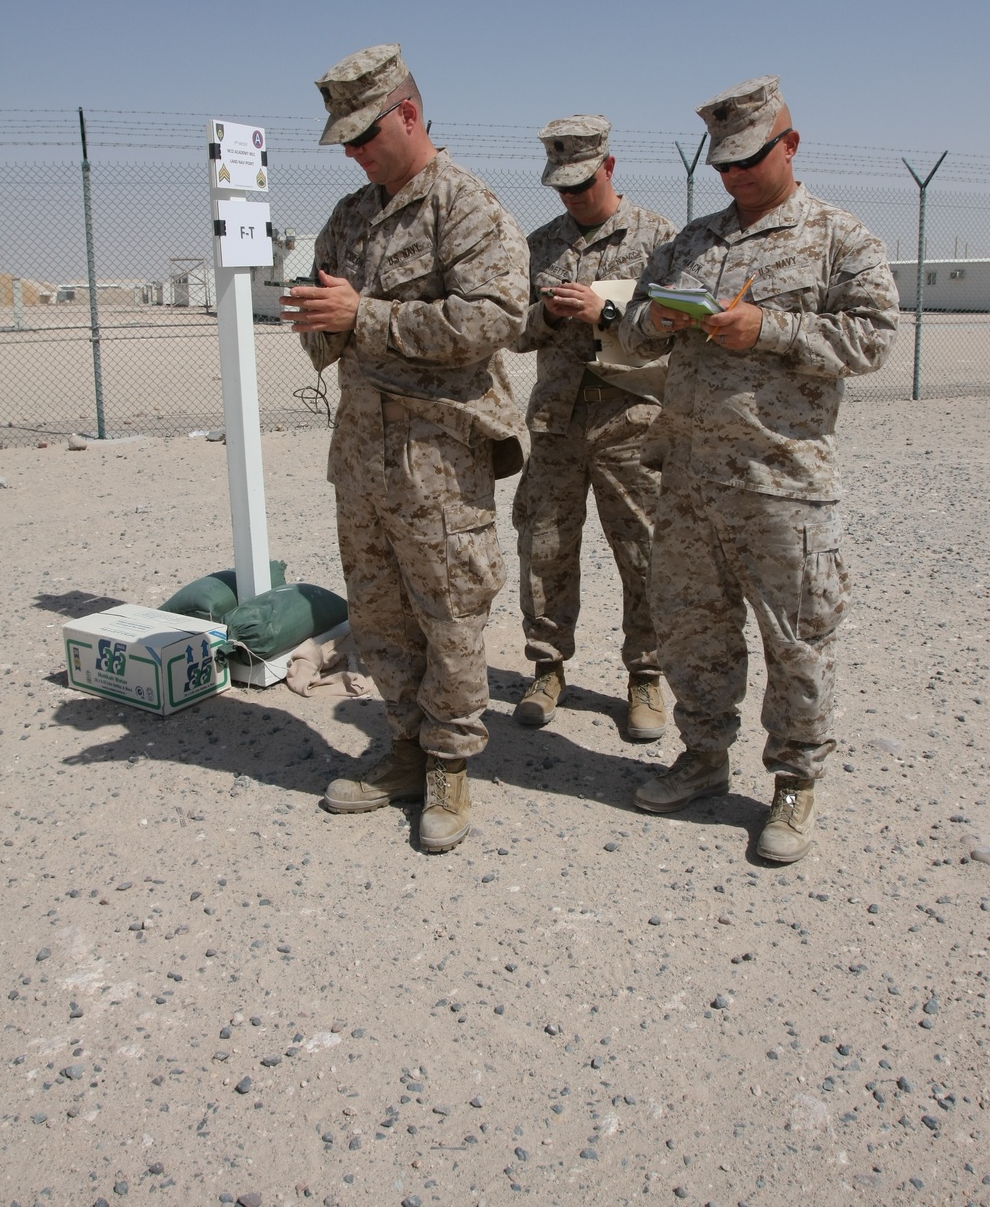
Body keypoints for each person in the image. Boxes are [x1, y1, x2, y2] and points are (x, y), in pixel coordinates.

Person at [620, 76, 899, 862]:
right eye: (724, 165)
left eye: (750, 158)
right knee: (692, 629)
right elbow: (634, 328)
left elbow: (874, 338)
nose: (735, 175)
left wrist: (769, 330)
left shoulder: (840, 238)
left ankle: (795, 783)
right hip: (687, 479)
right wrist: (659, 317)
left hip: (783, 482)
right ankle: (704, 758)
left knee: (797, 638)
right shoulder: (691, 242)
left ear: (791, 144)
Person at [281, 44, 530, 853]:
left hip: (441, 462)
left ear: (410, 116)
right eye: (344, 142)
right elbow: (327, 305)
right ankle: (404, 749)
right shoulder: (351, 216)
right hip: (363, 455)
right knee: (381, 613)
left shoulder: (466, 207)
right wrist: (317, 321)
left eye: (363, 135)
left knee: (450, 614)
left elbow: (496, 318)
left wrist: (366, 319)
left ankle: (451, 765)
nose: (354, 153)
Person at [513, 115, 677, 739]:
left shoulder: (660, 237)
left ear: (609, 167)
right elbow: (512, 331)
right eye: (561, 187)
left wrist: (606, 311)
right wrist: (549, 317)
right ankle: (548, 668)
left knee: (643, 551)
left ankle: (646, 675)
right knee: (545, 549)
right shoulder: (541, 245)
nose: (572, 197)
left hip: (631, 420)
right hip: (557, 423)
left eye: (581, 183)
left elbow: (677, 326)